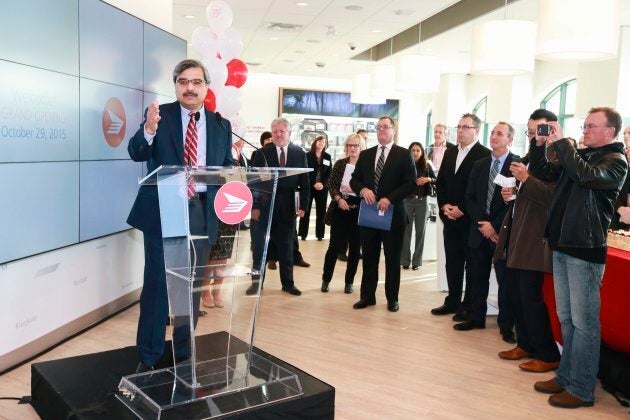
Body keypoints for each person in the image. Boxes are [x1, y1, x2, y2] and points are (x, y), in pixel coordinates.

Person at [127, 59, 233, 373]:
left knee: (192, 286)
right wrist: (147, 130)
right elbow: (136, 152)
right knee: (158, 284)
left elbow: (224, 167)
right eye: (183, 81)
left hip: (201, 212)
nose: (189, 87)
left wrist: (231, 176)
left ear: (206, 86)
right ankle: (148, 356)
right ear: (176, 85)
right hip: (164, 210)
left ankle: (184, 353)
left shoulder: (220, 125)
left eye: (196, 82)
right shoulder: (161, 117)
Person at [532, 107, 628, 409]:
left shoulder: (615, 161)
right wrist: (541, 145)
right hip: (563, 245)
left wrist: (565, 145)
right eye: (583, 126)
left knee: (585, 324)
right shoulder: (582, 155)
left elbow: (585, 178)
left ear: (609, 132)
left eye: (590, 126)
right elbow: (546, 173)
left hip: (585, 250)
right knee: (567, 320)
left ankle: (582, 388)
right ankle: (565, 376)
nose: (584, 130)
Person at [494, 109, 562, 369]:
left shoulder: (559, 157)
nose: (534, 137)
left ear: (552, 129)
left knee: (530, 297)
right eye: (530, 132)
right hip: (517, 231)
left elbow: (554, 197)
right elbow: (527, 190)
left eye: (539, 132)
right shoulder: (532, 156)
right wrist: (511, 193)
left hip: (536, 235)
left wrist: (526, 179)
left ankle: (547, 354)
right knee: (515, 294)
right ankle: (526, 343)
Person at [455, 122, 518, 332]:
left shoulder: (516, 165)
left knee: (504, 281)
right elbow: (470, 197)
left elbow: (516, 202)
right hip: (479, 230)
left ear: (510, 139)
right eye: (492, 133)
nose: (494, 136)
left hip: (503, 233)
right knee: (476, 276)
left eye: (500, 134)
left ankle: (506, 325)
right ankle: (476, 317)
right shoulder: (480, 164)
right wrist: (484, 224)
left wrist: (495, 226)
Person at [350, 116, 416, 312]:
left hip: (393, 214)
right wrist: (362, 190)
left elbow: (410, 183)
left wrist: (390, 198)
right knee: (369, 257)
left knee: (392, 259)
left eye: (385, 127)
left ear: (393, 130)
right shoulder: (367, 154)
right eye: (378, 128)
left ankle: (392, 298)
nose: (381, 131)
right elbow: (355, 180)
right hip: (369, 215)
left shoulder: (404, 155)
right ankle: (367, 296)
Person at [431, 113, 491, 318]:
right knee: (453, 262)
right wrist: (444, 205)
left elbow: (481, 190)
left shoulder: (485, 154)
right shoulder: (449, 152)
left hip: (471, 220)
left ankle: (468, 304)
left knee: (472, 265)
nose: (460, 131)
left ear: (477, 130)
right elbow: (441, 183)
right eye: (458, 127)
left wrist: (462, 209)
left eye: (466, 127)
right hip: (449, 218)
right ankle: (453, 300)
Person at [247, 117, 310, 296]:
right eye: (275, 132)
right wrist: (255, 206)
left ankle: (288, 283)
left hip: (288, 206)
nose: (278, 135)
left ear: (289, 133)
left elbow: (304, 183)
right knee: (259, 247)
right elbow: (254, 183)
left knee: (287, 247)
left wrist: (303, 205)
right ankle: (256, 284)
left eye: (282, 131)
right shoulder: (261, 153)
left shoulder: (299, 153)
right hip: (265, 205)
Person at [321, 133, 362, 294]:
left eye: (356, 145)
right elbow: (331, 184)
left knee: (354, 249)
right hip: (340, 209)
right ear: (346, 147)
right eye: (350, 145)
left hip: (358, 211)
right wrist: (338, 199)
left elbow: (371, 188)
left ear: (361, 147)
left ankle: (349, 282)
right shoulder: (339, 164)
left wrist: (356, 190)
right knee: (334, 247)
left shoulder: (366, 166)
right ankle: (326, 280)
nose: (352, 148)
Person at [401, 142, 436, 270]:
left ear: (421, 152)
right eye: (413, 150)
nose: (415, 153)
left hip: (422, 201)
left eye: (417, 150)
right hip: (407, 201)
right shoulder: (405, 165)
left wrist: (428, 179)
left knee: (420, 232)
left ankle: (417, 262)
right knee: (406, 232)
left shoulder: (427, 166)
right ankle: (405, 260)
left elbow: (436, 179)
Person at [299, 135, 332, 241]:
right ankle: (303, 234)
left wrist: (322, 183)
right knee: (306, 209)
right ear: (315, 143)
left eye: (323, 142)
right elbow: (305, 171)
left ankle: (320, 235)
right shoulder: (307, 155)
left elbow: (329, 173)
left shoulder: (327, 156)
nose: (322, 143)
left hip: (322, 187)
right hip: (309, 186)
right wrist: (313, 183)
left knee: (321, 211)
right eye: (320, 141)